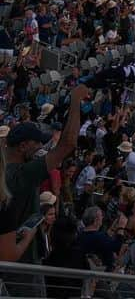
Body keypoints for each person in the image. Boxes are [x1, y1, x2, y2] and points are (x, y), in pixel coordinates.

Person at [0, 83, 90, 283]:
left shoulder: (6, 172)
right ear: (23, 146)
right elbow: (68, 144)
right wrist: (75, 101)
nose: (41, 146)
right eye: (37, 143)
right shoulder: (23, 173)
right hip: (20, 270)